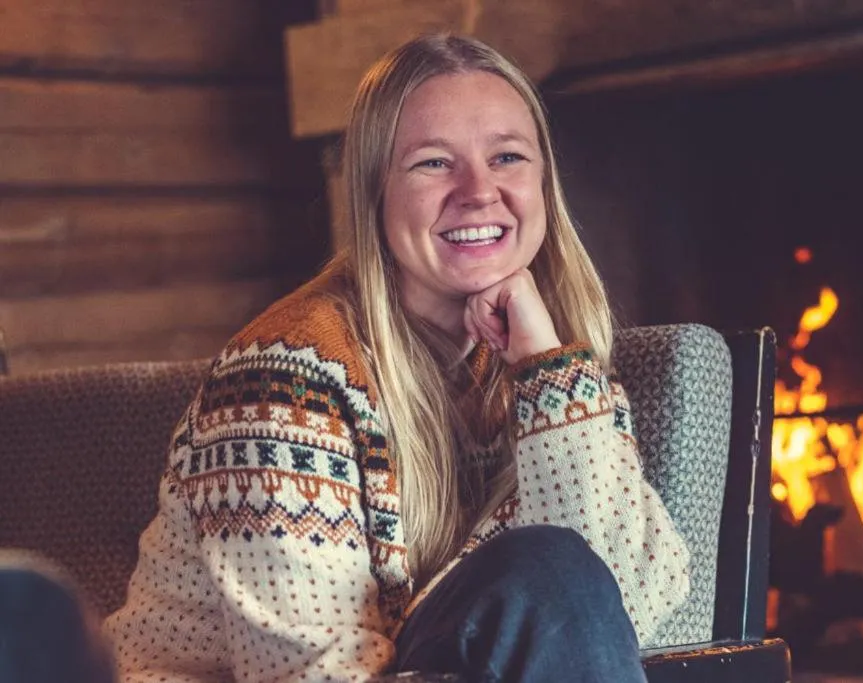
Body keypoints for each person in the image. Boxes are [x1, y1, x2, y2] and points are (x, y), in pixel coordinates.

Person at [98, 33, 691, 682]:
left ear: (544, 184)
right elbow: (309, 673)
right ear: (374, 194)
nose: (478, 190)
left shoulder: (540, 364)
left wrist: (547, 367)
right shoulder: (282, 380)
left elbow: (628, 603)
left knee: (557, 569)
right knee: (549, 566)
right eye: (434, 163)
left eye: (508, 156)